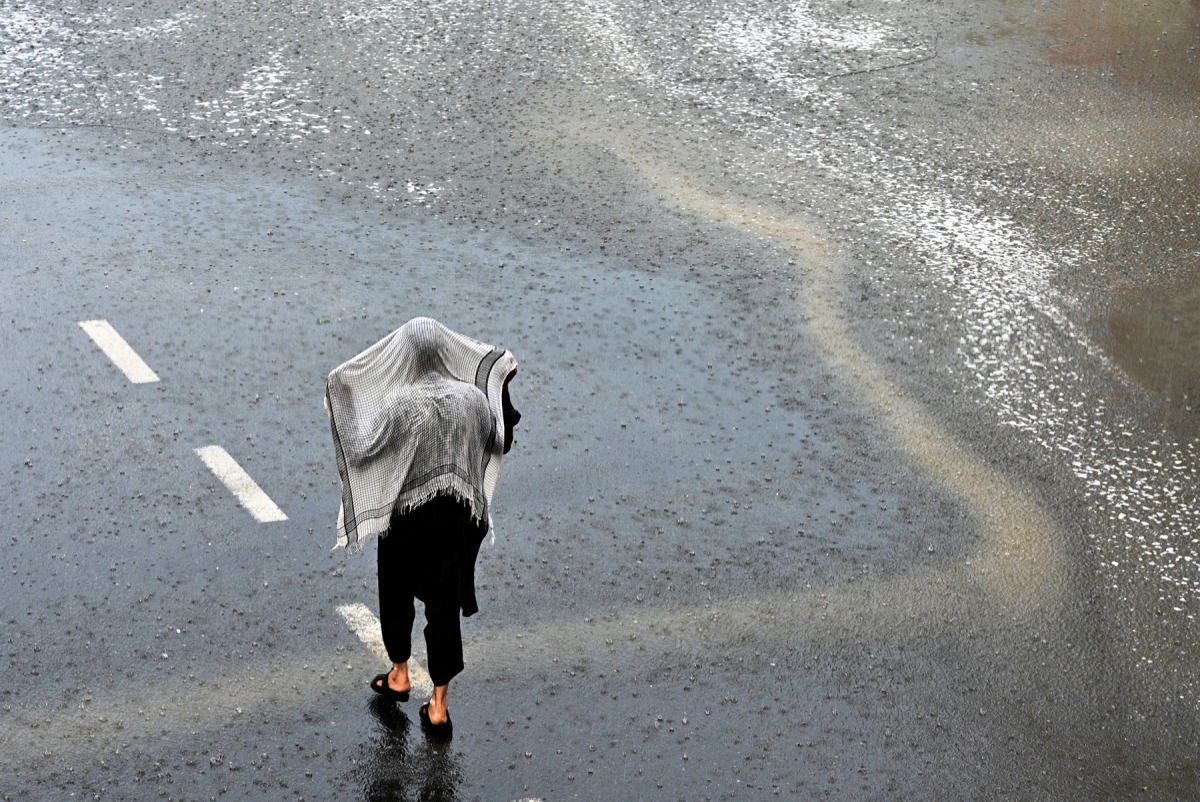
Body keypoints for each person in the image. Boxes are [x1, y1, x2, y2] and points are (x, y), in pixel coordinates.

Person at [326, 317, 520, 737]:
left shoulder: (401, 404)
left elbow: (360, 448)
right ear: (444, 352)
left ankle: (399, 673)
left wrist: (343, 397)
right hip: (458, 520)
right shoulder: (472, 399)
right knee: (444, 607)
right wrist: (501, 391)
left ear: (405, 355)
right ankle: (439, 704)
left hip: (408, 518)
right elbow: (501, 438)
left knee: (395, 591)